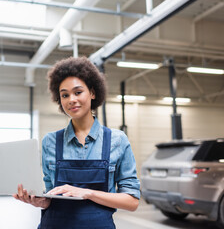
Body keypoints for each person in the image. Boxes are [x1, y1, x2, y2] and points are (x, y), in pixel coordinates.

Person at [13, 57, 140, 229]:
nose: (71, 99)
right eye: (65, 95)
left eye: (78, 92)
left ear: (92, 93)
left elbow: (131, 201)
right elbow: (51, 199)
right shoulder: (50, 141)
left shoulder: (117, 140)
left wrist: (87, 193)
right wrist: (39, 201)